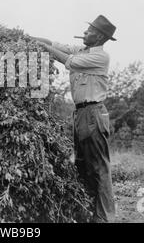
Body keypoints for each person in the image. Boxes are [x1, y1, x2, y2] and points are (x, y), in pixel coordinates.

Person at [30, 15, 117, 223]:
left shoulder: (100, 57)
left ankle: (105, 218)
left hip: (94, 113)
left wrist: (44, 48)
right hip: (80, 113)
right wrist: (26, 38)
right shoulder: (82, 49)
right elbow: (54, 43)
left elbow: (68, 61)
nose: (85, 33)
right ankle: (87, 211)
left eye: (89, 31)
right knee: (81, 163)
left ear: (99, 36)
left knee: (99, 167)